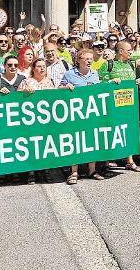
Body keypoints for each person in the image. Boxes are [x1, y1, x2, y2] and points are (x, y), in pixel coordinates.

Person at [60, 49, 105, 184]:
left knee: (92, 141)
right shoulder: (69, 74)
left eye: (91, 59)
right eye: (86, 59)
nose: (89, 61)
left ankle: (92, 170)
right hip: (76, 115)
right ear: (78, 60)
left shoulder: (95, 74)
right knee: (76, 142)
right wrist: (65, 87)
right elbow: (58, 89)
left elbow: (99, 91)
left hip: (91, 114)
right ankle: (74, 172)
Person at [98, 40, 140, 172]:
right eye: (128, 50)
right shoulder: (108, 65)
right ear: (121, 51)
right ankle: (106, 161)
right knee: (111, 132)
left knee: (128, 131)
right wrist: (110, 81)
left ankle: (130, 161)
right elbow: (99, 82)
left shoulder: (130, 64)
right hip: (113, 106)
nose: (131, 52)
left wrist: (136, 82)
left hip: (129, 105)